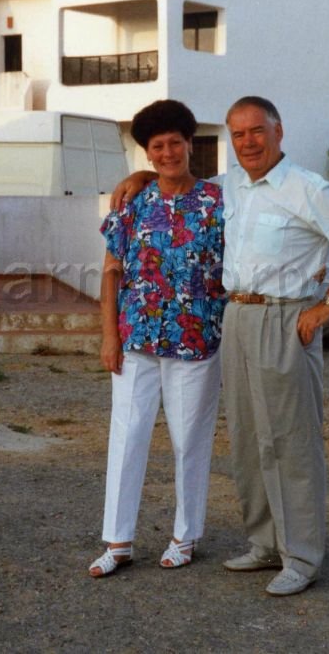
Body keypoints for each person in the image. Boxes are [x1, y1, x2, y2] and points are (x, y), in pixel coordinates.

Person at [113, 96, 329, 596]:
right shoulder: (227, 188)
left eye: (256, 131)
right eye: (237, 134)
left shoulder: (307, 188)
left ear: (279, 132)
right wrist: (143, 179)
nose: (247, 142)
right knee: (248, 438)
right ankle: (264, 544)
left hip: (285, 319)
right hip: (234, 316)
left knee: (290, 442)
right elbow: (181, 184)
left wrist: (326, 308)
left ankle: (301, 556)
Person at [88, 99, 225, 578]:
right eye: (157, 147)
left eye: (175, 143)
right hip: (136, 339)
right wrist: (109, 336)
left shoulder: (217, 203)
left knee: (190, 439)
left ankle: (185, 536)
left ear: (191, 146)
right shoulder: (133, 204)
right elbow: (110, 273)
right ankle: (118, 541)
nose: (167, 153)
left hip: (196, 342)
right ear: (147, 155)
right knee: (126, 438)